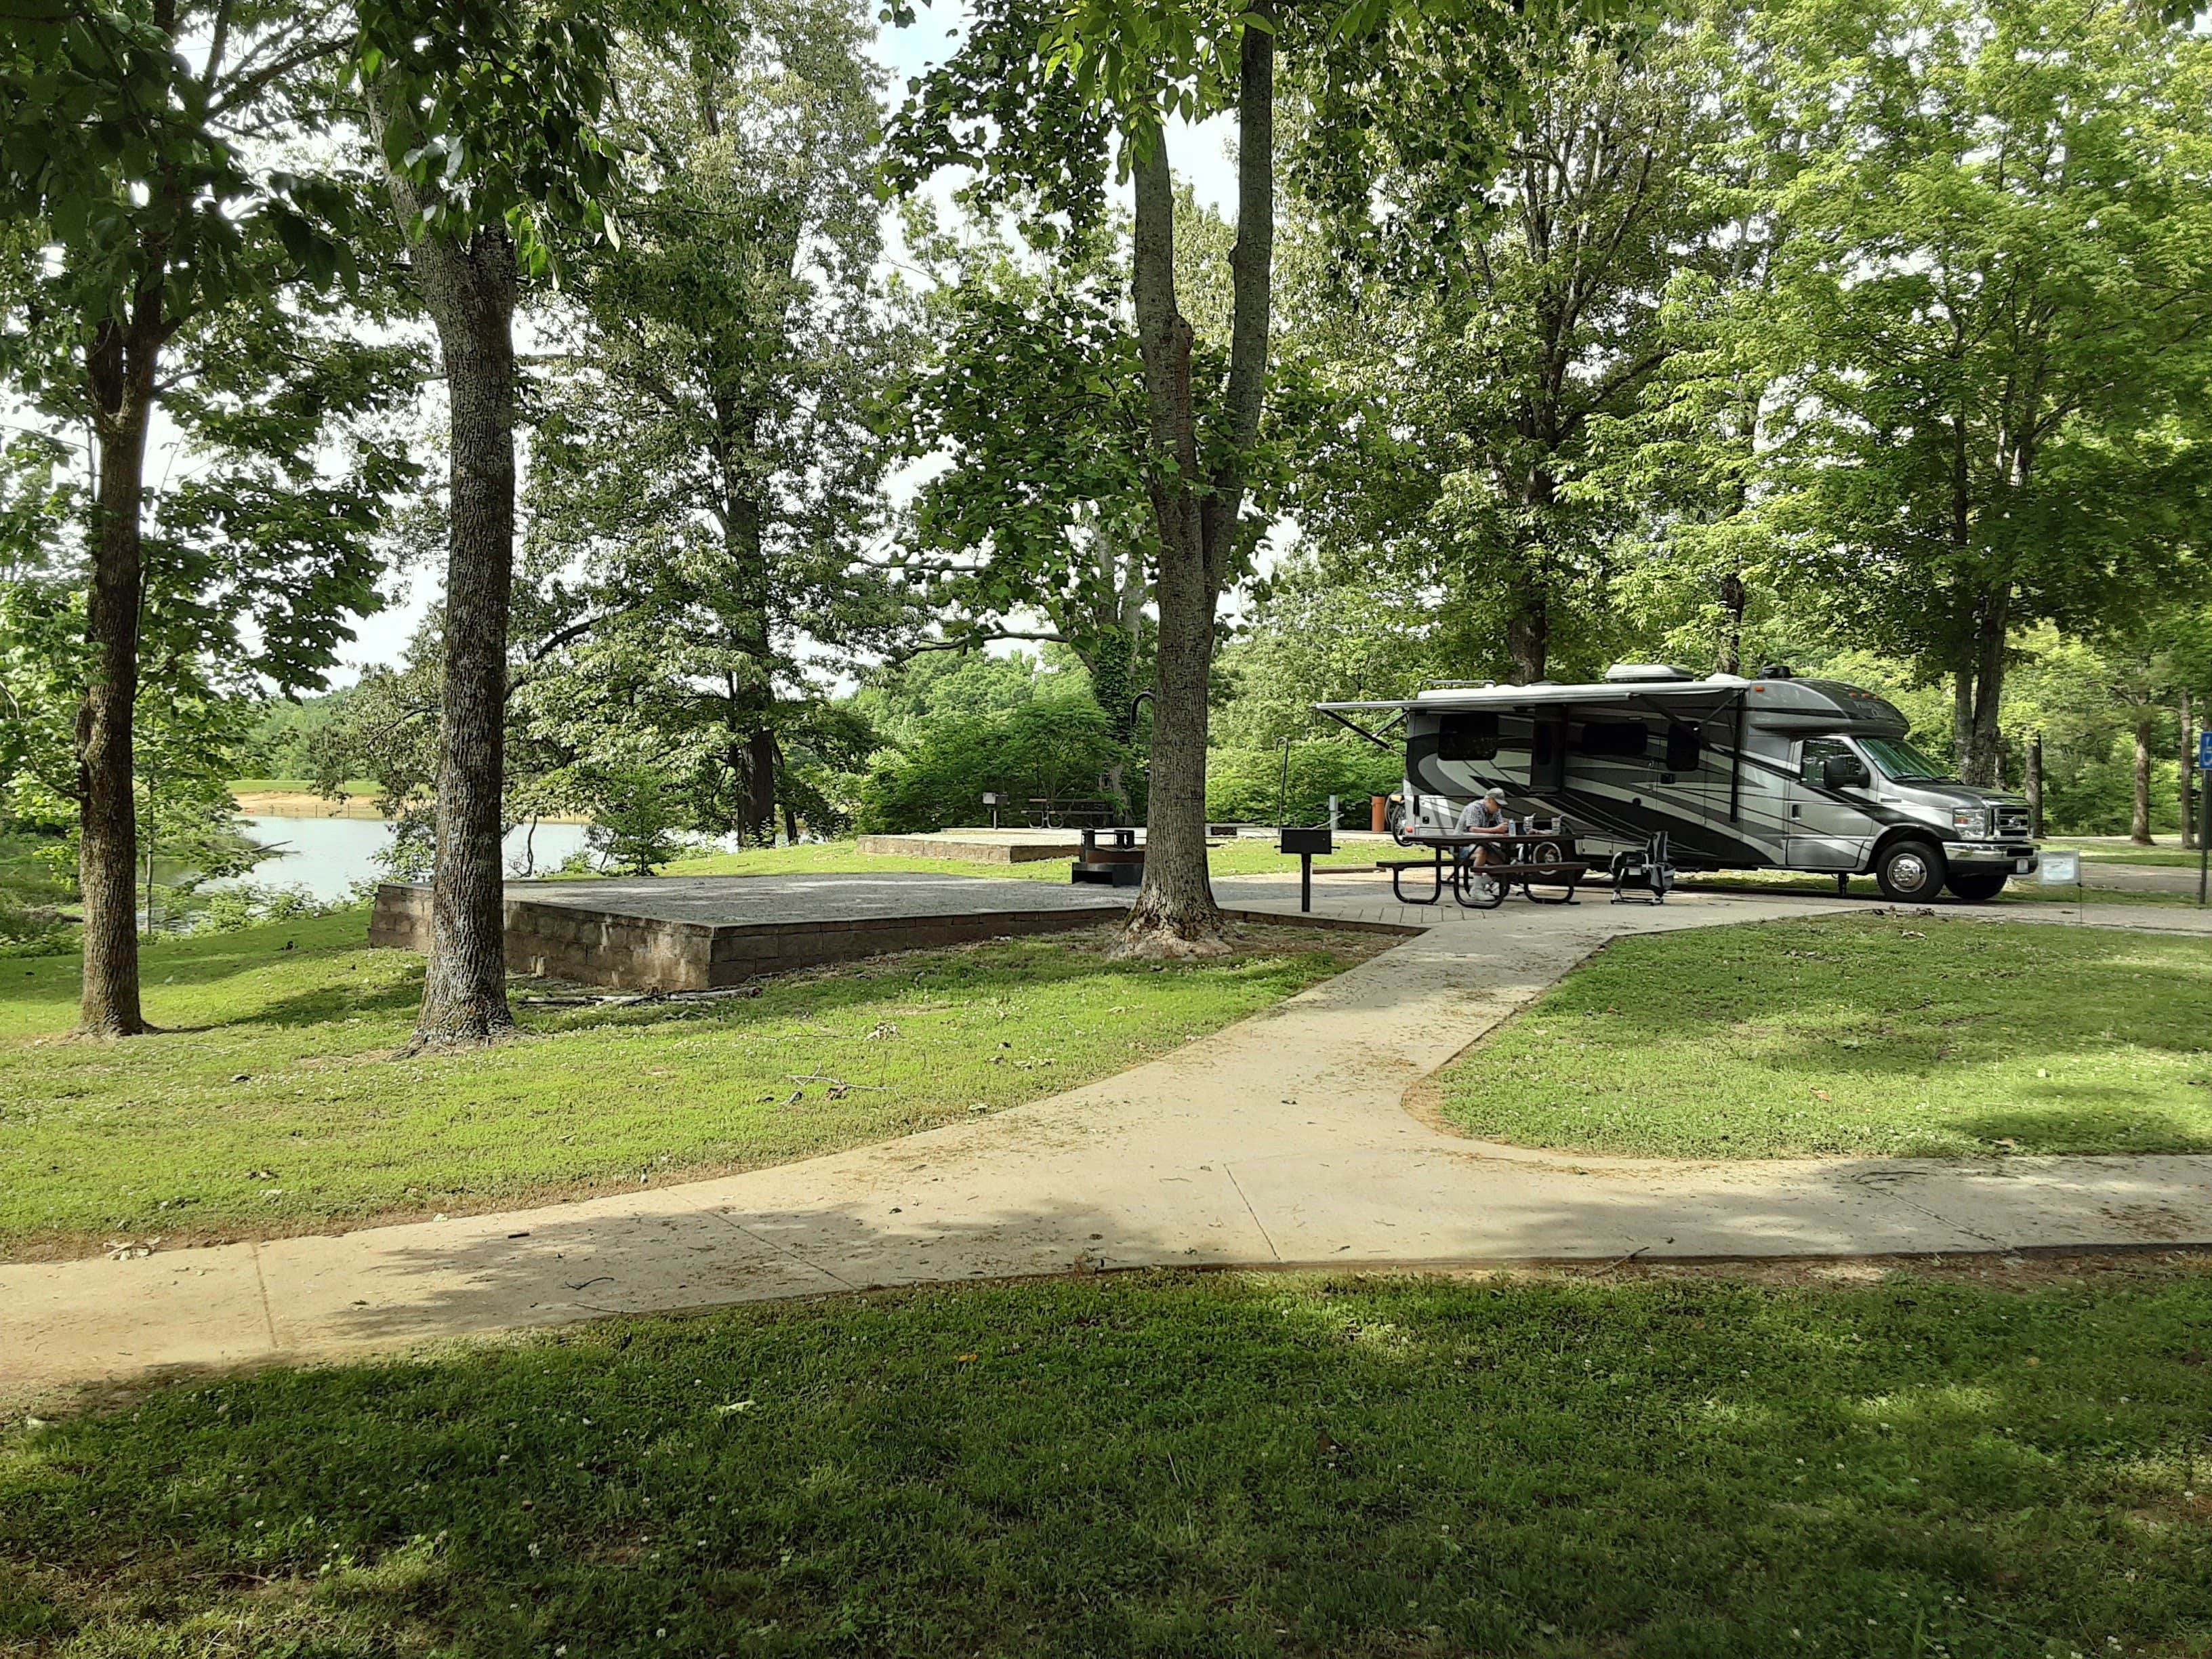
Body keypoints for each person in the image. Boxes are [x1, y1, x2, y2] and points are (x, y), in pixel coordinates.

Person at [1452, 788, 1511, 868]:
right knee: (1481, 851)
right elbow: (1473, 829)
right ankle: (1478, 879)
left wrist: (1505, 828)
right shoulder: (1474, 808)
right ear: (1490, 800)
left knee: (1503, 858)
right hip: (1461, 845)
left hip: (1483, 843)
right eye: (1498, 804)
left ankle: (1496, 878)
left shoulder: (1496, 811)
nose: (1499, 808)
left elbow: (1500, 826)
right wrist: (1496, 829)